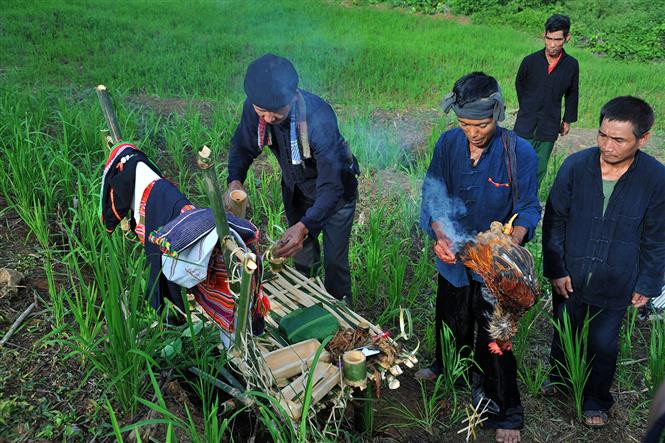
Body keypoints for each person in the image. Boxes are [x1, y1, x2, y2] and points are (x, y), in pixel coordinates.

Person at [418, 72, 541, 443]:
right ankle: (447, 367)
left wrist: (508, 246)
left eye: (482, 124)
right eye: (465, 123)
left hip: (492, 264)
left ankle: (506, 411)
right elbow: (432, 194)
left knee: (495, 335)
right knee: (451, 315)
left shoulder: (518, 152)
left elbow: (528, 208)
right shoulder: (448, 144)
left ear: (498, 113)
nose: (473, 132)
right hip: (453, 256)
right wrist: (440, 235)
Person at [542, 96, 665, 427]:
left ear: (643, 139)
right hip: (572, 272)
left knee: (603, 342)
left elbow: (657, 236)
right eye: (602, 135)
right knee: (564, 327)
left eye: (619, 140)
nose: (607, 146)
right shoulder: (576, 166)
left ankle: (596, 399)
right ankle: (561, 378)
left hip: (618, 277)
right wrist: (556, 268)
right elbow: (554, 221)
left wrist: (649, 283)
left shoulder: (655, 178)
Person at [225, 54, 359, 301]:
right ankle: (307, 300)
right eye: (261, 111)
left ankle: (343, 315)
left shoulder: (319, 118)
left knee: (335, 261)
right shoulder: (256, 110)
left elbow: (331, 186)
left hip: (337, 194)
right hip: (298, 191)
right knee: (302, 254)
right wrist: (235, 180)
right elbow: (243, 146)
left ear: (292, 97)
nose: (267, 119)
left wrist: (304, 226)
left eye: (275, 112)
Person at [514, 14, 579, 185]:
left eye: (557, 39)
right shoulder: (530, 61)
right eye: (549, 38)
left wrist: (567, 119)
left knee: (539, 168)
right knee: (515, 166)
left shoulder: (571, 65)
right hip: (525, 123)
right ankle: (508, 204)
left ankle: (528, 205)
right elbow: (519, 85)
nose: (552, 44)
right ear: (544, 35)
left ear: (567, 38)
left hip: (549, 125)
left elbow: (572, 93)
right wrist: (528, 107)